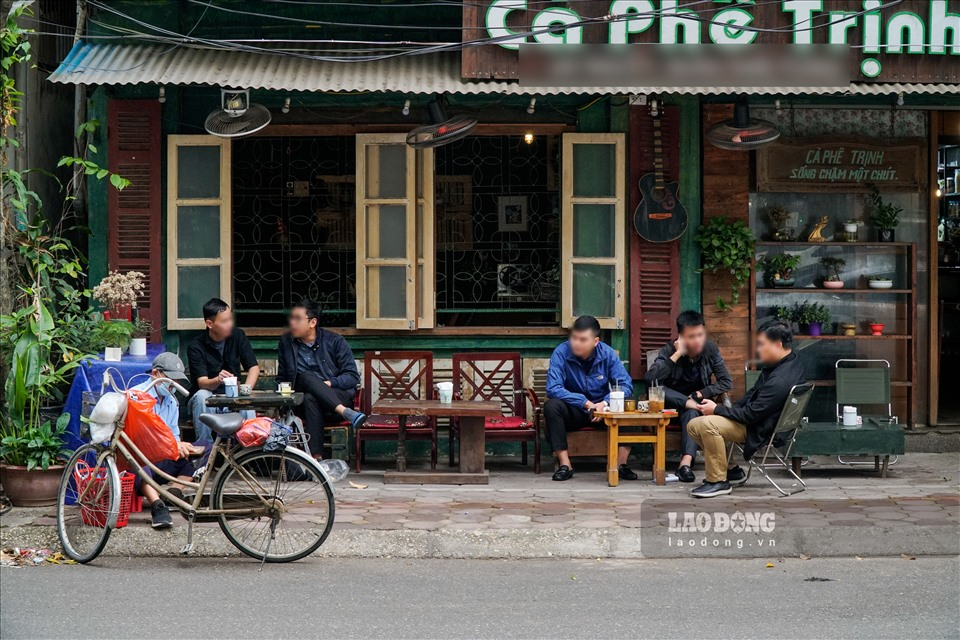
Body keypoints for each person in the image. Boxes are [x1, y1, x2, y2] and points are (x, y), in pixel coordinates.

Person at [686, 319, 805, 498]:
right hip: (760, 420)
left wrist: (717, 410)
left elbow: (750, 415)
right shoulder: (789, 362)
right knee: (693, 425)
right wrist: (728, 410)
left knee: (707, 424)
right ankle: (731, 470)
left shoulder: (780, 380)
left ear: (778, 345)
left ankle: (717, 481)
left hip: (760, 429)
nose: (758, 349)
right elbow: (752, 394)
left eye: (761, 344)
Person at [645, 310, 733, 484]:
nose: (697, 340)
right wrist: (677, 355)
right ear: (681, 337)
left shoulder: (710, 350)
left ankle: (685, 465)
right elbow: (651, 380)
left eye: (700, 335)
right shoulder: (669, 350)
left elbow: (726, 382)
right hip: (670, 405)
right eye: (691, 336)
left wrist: (701, 393)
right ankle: (688, 404)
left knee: (692, 413)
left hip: (697, 407)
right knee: (660, 389)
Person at [545, 315, 635, 482]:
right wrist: (584, 403)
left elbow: (625, 385)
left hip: (603, 412)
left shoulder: (608, 354)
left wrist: (604, 403)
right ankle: (565, 465)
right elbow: (553, 388)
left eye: (582, 339)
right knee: (552, 406)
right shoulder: (561, 352)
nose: (576, 343)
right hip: (575, 410)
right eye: (574, 338)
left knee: (628, 401)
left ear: (595, 341)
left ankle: (620, 464)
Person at [276, 299, 365, 460]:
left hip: (335, 400)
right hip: (301, 403)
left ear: (313, 322)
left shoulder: (335, 341)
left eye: (297, 318)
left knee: (311, 396)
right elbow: (282, 377)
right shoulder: (286, 342)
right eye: (291, 318)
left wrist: (330, 383)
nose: (292, 322)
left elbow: (352, 377)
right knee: (307, 378)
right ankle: (346, 413)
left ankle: (315, 457)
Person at [133, 353, 211, 529]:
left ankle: (174, 492)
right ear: (156, 373)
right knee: (136, 457)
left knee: (206, 447)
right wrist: (173, 444)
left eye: (177, 380)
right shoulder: (138, 396)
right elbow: (142, 437)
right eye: (170, 379)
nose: (174, 384)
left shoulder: (171, 401)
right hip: (144, 460)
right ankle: (157, 505)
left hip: (165, 458)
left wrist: (180, 447)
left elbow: (174, 433)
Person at [187, 298, 260, 441]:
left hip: (233, 398)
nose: (230, 324)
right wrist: (218, 380)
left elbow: (253, 368)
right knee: (202, 395)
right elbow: (202, 382)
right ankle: (205, 447)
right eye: (224, 321)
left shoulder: (238, 336)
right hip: (208, 399)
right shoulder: (196, 346)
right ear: (210, 324)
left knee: (247, 404)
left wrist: (245, 390)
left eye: (230, 319)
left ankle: (249, 448)